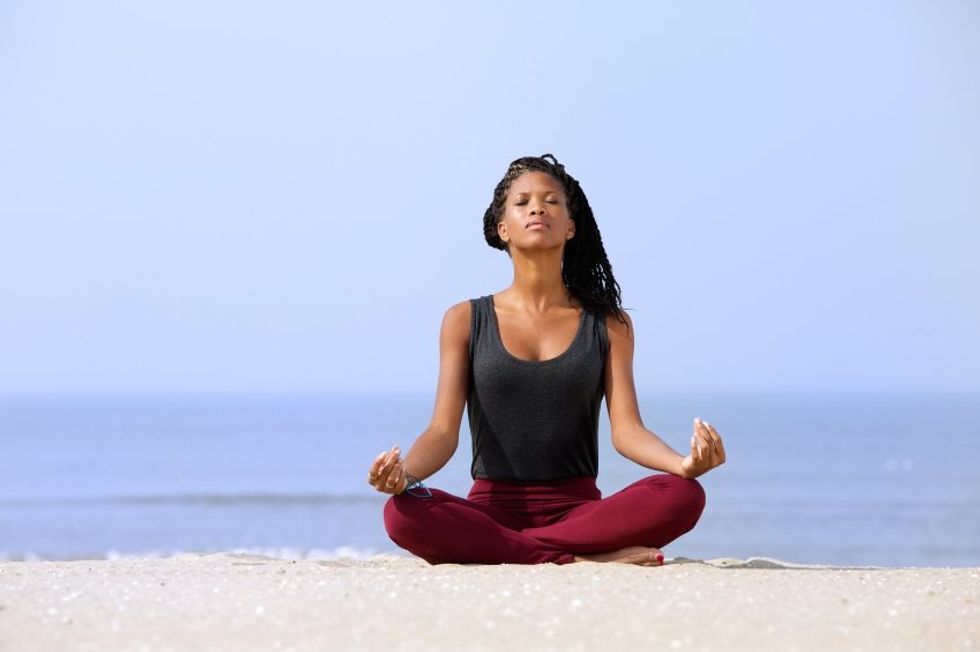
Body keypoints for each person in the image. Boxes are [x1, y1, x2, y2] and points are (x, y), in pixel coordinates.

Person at [367, 153, 726, 566]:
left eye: (552, 201)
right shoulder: (464, 320)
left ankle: (523, 549)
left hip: (578, 512)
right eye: (522, 203)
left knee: (684, 495)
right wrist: (403, 476)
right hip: (489, 509)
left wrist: (683, 464)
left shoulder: (608, 324)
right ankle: (579, 558)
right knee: (401, 512)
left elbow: (627, 430)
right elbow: (442, 432)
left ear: (571, 226)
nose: (537, 207)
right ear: (503, 229)